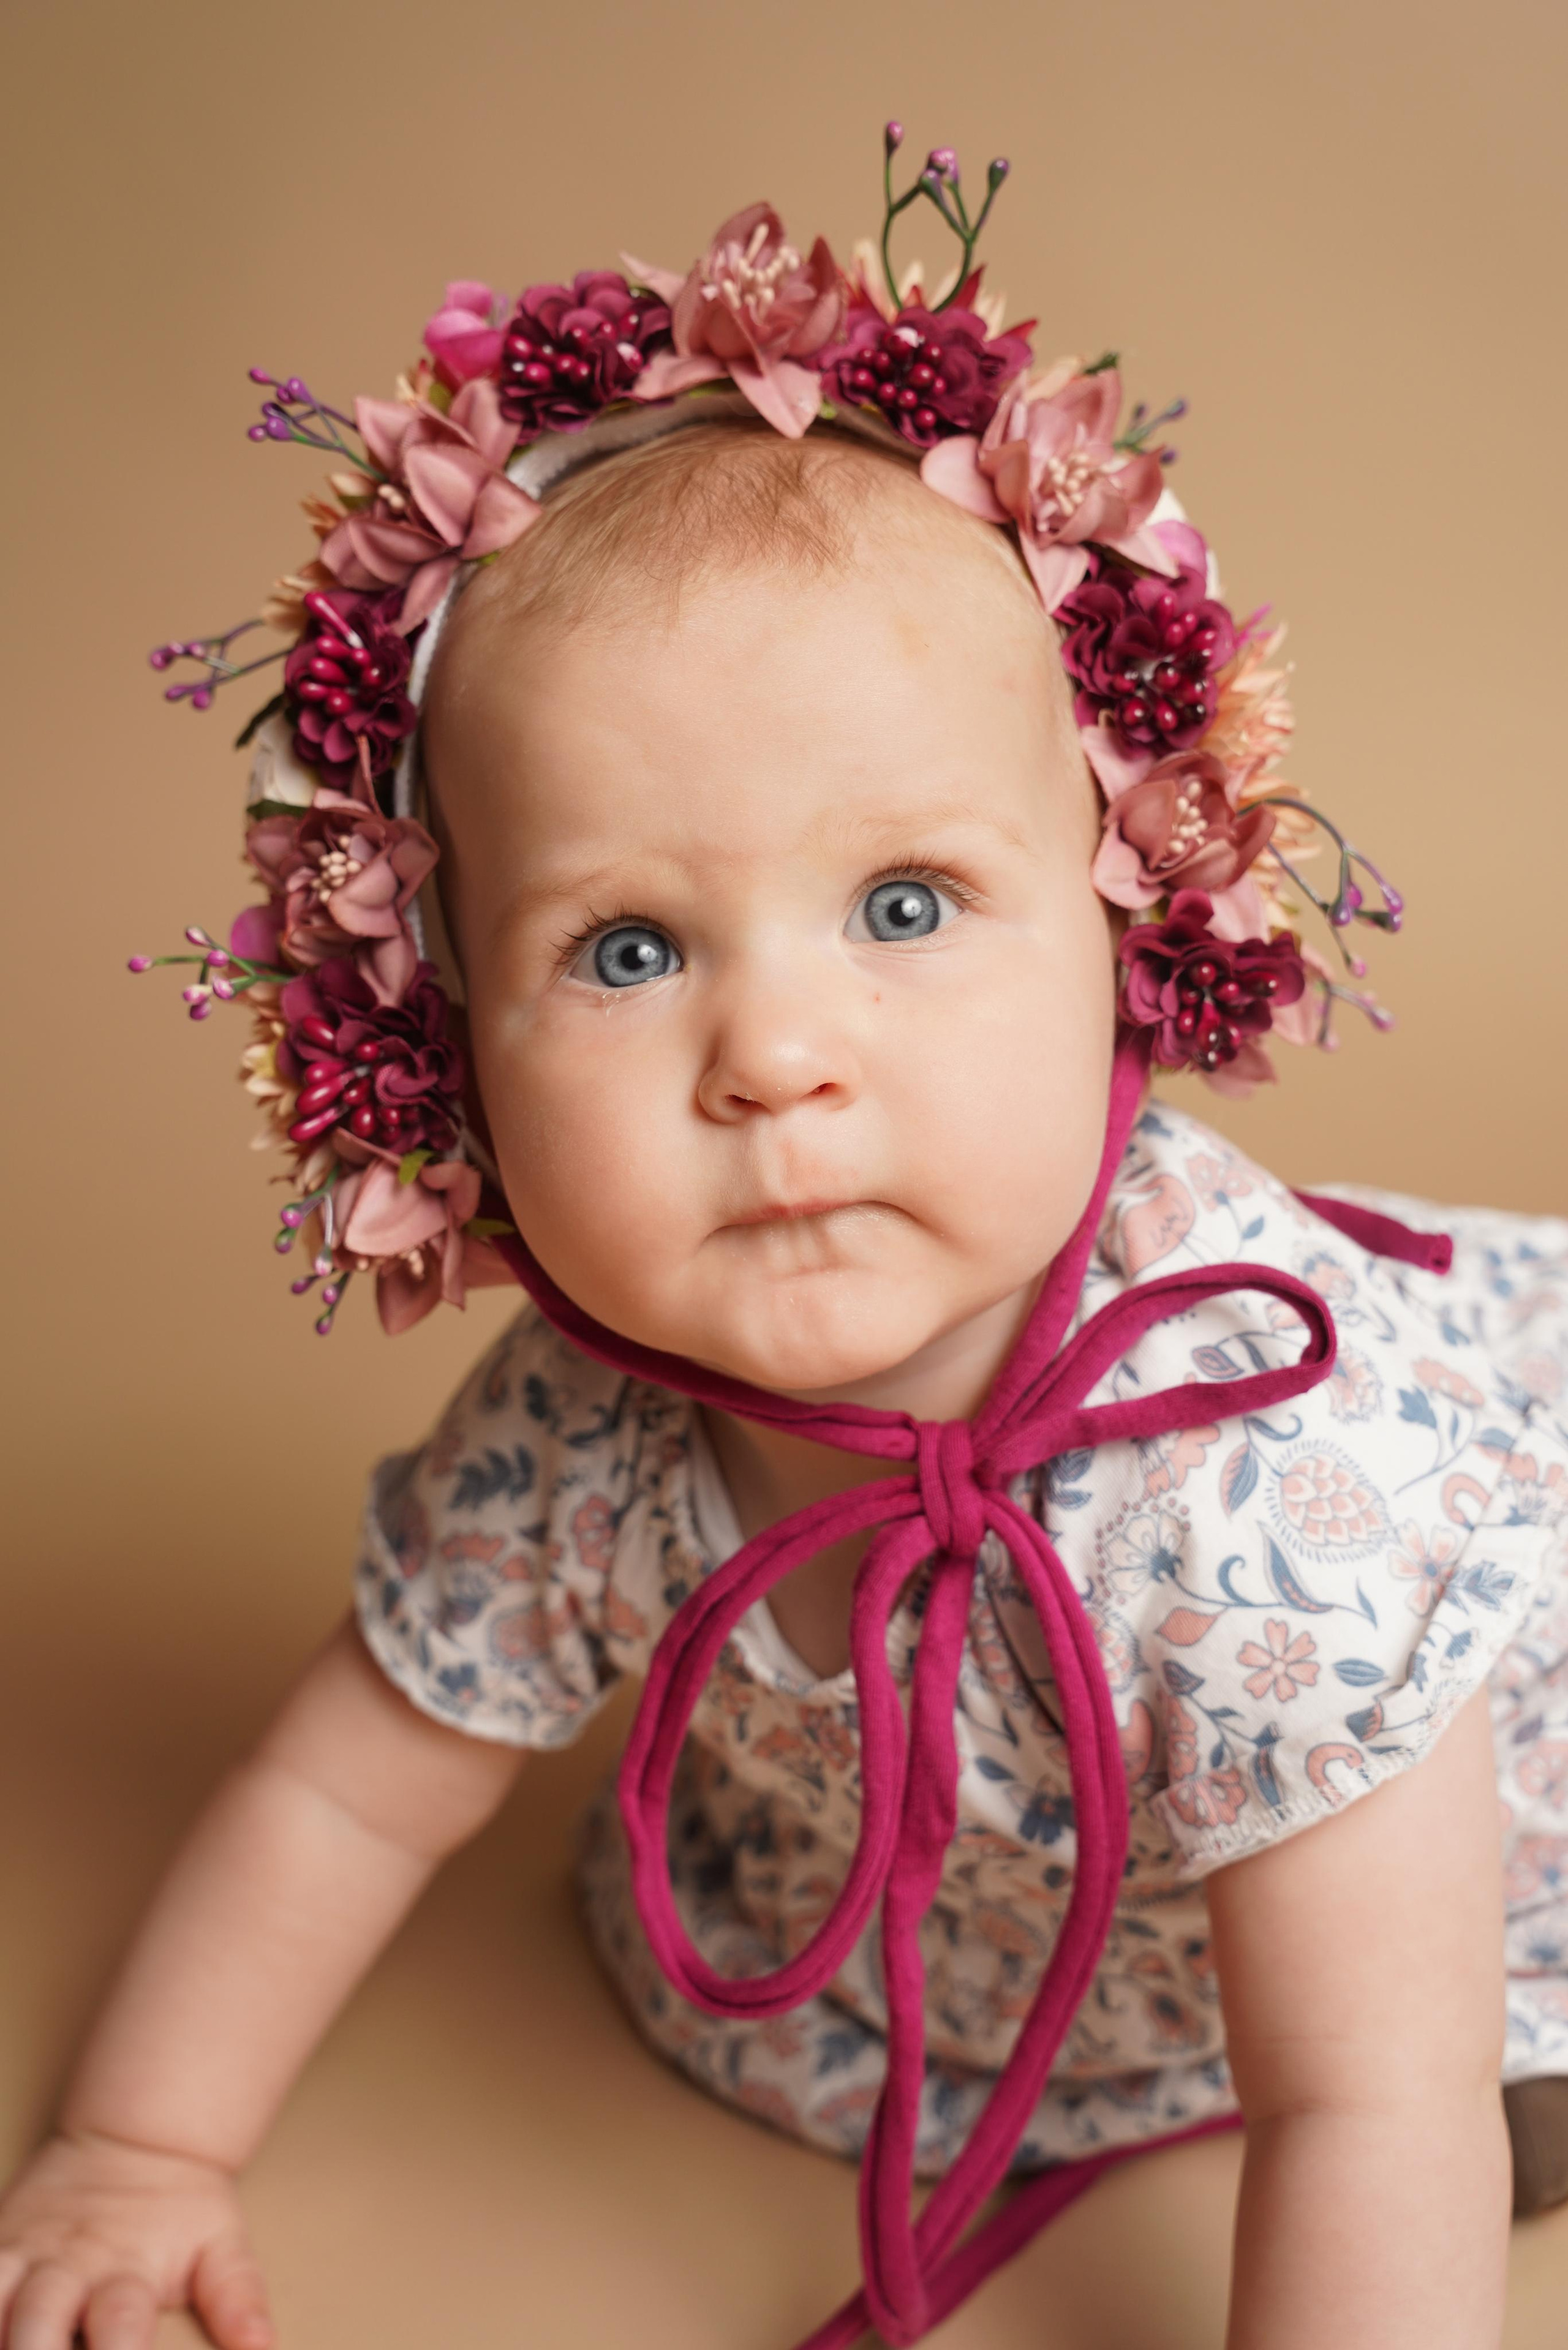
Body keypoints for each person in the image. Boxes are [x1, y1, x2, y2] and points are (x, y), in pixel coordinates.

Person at [2, 130, 1566, 2350]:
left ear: (1123, 932)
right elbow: (339, 1802)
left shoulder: (1274, 1490)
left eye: (905, 909)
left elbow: (1368, 2102)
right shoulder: (586, 1427)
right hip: (916, 1949)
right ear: (443, 1045)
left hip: (1414, 1845)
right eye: (629, 949)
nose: (776, 1058)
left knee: (1444, 2071)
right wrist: (134, 2154)